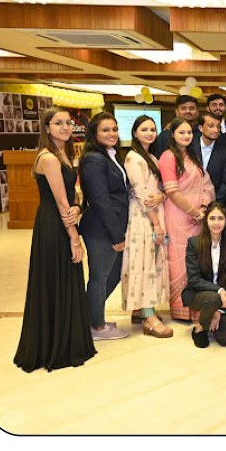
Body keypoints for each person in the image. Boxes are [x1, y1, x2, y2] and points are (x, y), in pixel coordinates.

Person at [14, 107, 97, 372]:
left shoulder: (64, 154)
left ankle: (66, 340)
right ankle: (54, 347)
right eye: (58, 123)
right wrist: (74, 238)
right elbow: (61, 202)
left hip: (61, 220)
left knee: (64, 278)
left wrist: (78, 207)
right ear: (47, 127)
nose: (65, 127)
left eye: (68, 123)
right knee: (56, 279)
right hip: (54, 225)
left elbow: (72, 196)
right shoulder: (48, 157)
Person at [78, 112, 131, 340]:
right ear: (94, 133)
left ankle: (90, 316)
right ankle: (97, 327)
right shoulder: (94, 158)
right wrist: (116, 235)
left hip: (112, 225)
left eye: (114, 129)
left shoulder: (111, 156)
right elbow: (100, 200)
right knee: (99, 277)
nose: (112, 134)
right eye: (106, 130)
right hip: (101, 229)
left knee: (114, 273)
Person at [159, 117, 216, 321]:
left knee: (195, 262)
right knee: (179, 262)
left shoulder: (192, 156)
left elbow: (206, 184)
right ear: (172, 135)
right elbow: (172, 192)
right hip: (178, 216)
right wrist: (195, 212)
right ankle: (180, 309)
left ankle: (196, 306)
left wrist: (204, 207)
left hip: (198, 218)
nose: (186, 136)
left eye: (189, 132)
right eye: (181, 132)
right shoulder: (168, 156)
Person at [120, 115, 171, 338]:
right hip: (143, 217)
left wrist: (161, 196)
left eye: (152, 129)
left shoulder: (150, 157)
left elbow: (159, 189)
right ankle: (149, 318)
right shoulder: (133, 157)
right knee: (144, 263)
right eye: (144, 129)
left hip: (153, 213)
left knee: (151, 261)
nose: (149, 133)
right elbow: (140, 193)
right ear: (135, 132)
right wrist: (156, 223)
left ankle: (141, 309)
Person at [184, 202, 226, 348]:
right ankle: (199, 328)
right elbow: (194, 279)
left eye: (220, 218)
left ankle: (212, 314)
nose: (216, 223)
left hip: (223, 299)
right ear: (206, 221)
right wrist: (220, 291)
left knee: (224, 339)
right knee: (213, 298)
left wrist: (218, 310)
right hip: (198, 293)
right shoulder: (194, 243)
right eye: (212, 218)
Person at [192, 110, 226, 203]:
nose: (216, 130)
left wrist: (212, 203)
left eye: (218, 126)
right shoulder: (190, 148)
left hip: (215, 202)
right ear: (201, 128)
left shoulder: (225, 151)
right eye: (211, 126)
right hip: (191, 200)